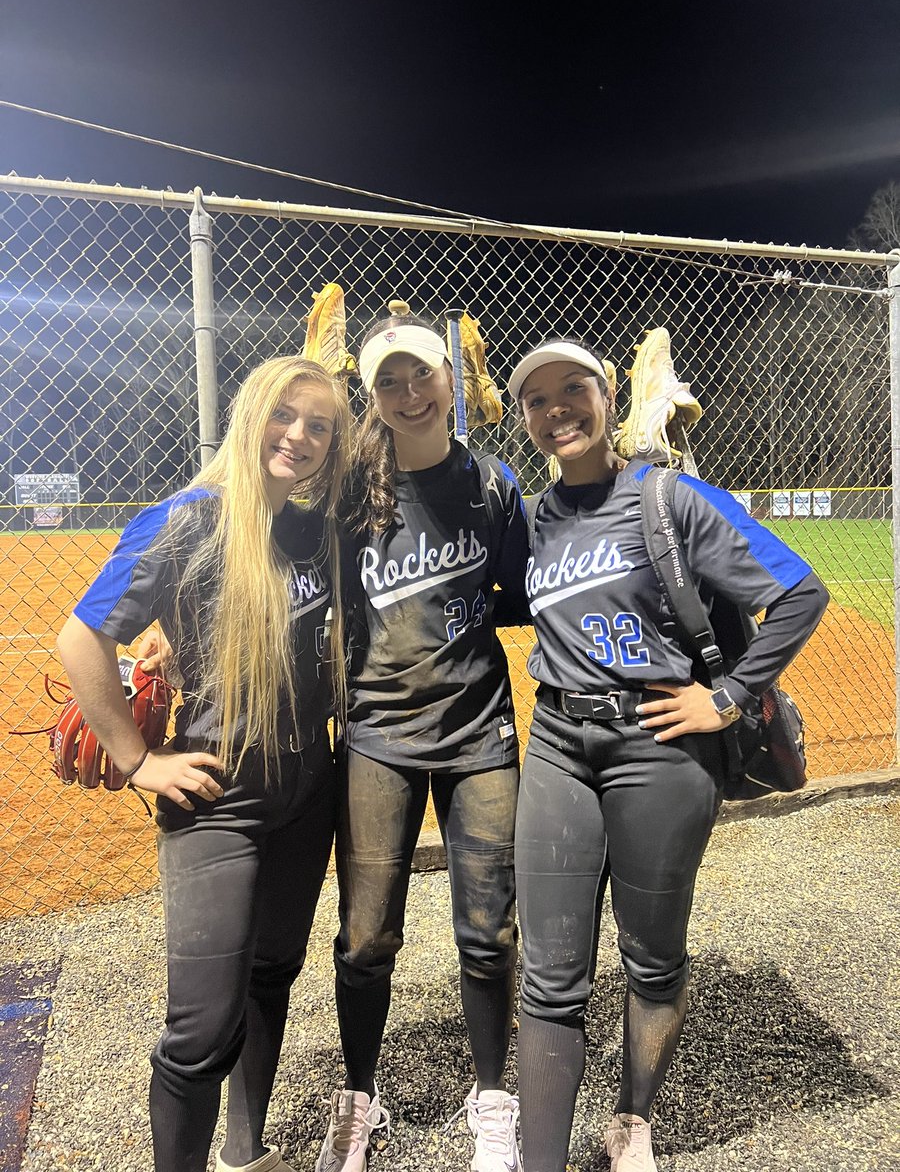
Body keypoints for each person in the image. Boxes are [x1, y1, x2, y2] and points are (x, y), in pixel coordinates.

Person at [505, 337, 829, 1172]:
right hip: (558, 743)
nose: (556, 410)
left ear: (608, 394)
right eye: (536, 400)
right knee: (548, 973)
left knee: (651, 957)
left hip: (660, 745)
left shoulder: (669, 497)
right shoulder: (534, 519)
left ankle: (632, 1122)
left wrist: (726, 697)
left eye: (572, 388)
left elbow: (799, 592)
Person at [56, 356, 351, 1172]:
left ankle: (244, 1154)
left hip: (308, 788)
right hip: (218, 792)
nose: (299, 435)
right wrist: (137, 758)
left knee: (273, 975)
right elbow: (83, 639)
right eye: (285, 416)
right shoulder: (185, 519)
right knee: (200, 1028)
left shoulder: (309, 529)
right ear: (251, 415)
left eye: (319, 426)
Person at [315, 301, 530, 1172]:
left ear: (451, 380)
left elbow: (521, 594)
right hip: (377, 738)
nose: (408, 391)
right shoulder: (346, 496)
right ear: (373, 396)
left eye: (422, 373)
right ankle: (359, 1100)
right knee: (366, 937)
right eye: (389, 380)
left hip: (480, 734)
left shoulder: (493, 486)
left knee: (489, 934)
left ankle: (494, 1104)